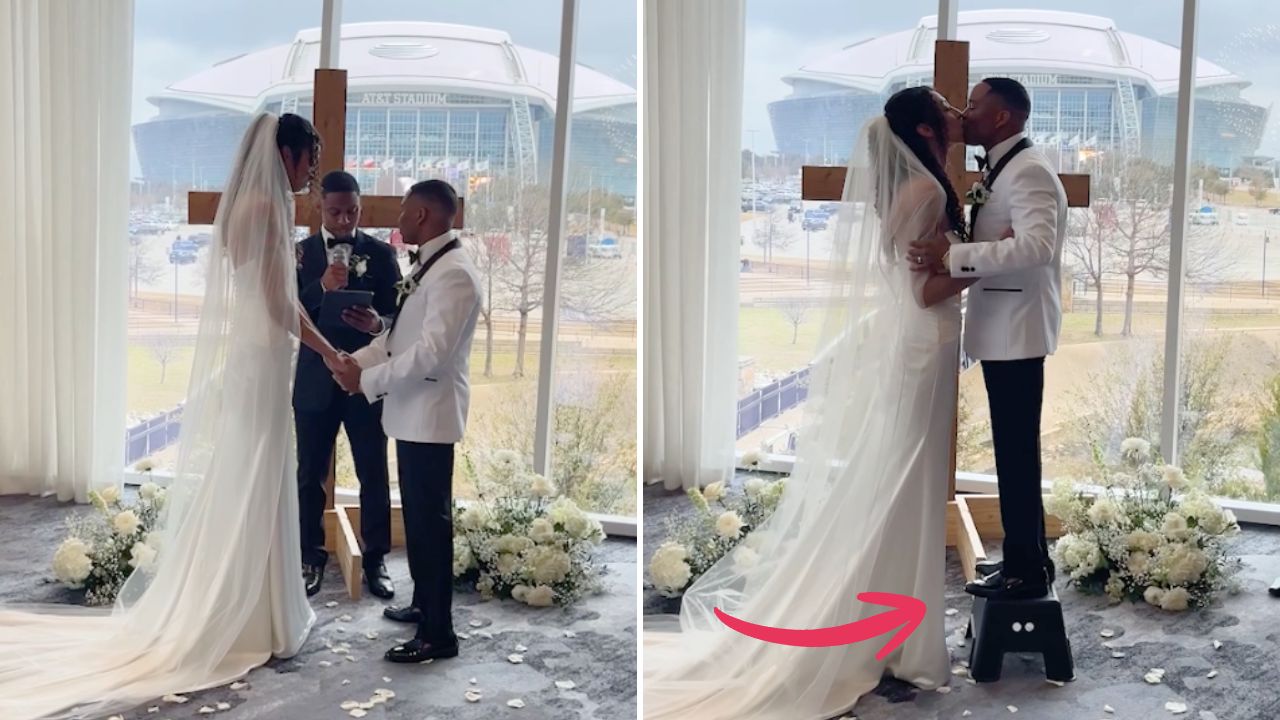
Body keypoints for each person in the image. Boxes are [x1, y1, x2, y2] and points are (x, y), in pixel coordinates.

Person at [643, 87, 972, 719]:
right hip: (925, 345)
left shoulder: (917, 189)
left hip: (919, 347)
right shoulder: (926, 194)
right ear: (928, 131)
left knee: (902, 489)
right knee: (906, 489)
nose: (957, 116)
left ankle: (893, 630)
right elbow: (926, 290)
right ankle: (882, 632)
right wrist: (979, 266)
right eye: (947, 110)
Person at [0, 112, 342, 720]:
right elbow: (277, 302)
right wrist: (331, 351)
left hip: (253, 353)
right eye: (308, 160)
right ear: (285, 154)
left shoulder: (249, 207)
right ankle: (245, 611)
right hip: (264, 354)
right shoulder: (266, 208)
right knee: (257, 475)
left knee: (248, 475)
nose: (312, 172)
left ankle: (245, 600)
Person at [907, 77, 1068, 600]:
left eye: (974, 106)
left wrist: (952, 258)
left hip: (1017, 330)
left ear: (1002, 117)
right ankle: (1027, 561)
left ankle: (1026, 571)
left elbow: (1037, 246)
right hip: (1003, 327)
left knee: (1017, 456)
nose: (965, 113)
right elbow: (996, 237)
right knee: (1013, 454)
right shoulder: (1001, 166)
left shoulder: (1029, 171)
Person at [330, 179, 481, 664]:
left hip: (430, 415)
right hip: (413, 414)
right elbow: (401, 336)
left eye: (402, 210)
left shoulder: (454, 273)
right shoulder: (431, 265)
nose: (395, 218)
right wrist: (356, 359)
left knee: (430, 526)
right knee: (418, 521)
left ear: (421, 215)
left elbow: (432, 354)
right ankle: (423, 605)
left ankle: (439, 634)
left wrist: (368, 382)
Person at [294, 170, 401, 599]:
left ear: (360, 208)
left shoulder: (380, 253)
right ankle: (309, 557)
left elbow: (398, 315)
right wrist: (322, 286)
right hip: (315, 378)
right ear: (321, 208)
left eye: (352, 212)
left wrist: (377, 323)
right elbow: (287, 309)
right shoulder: (300, 253)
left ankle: (376, 560)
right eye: (335, 212)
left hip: (365, 379)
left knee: (373, 470)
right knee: (309, 474)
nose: (344, 221)